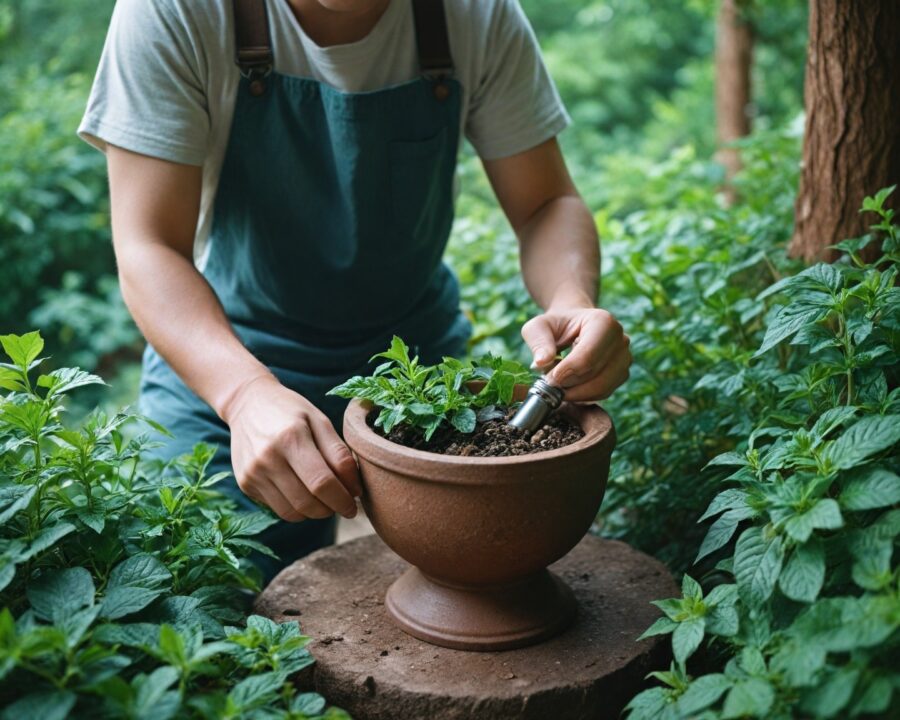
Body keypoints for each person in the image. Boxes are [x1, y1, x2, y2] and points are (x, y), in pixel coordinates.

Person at [79, 0, 632, 578]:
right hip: (226, 360)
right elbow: (149, 246)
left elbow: (546, 202)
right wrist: (243, 396)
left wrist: (572, 301)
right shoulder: (175, 11)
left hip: (414, 380)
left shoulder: (474, 15)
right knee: (210, 597)